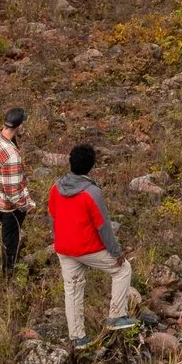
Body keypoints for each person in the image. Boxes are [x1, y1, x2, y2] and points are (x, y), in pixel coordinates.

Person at [49, 143, 134, 349]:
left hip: (64, 248)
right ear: (91, 166)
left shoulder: (56, 188)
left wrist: (58, 239)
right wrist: (116, 252)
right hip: (88, 248)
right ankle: (116, 316)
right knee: (122, 269)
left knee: (73, 290)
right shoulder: (92, 192)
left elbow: (52, 217)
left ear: (70, 162)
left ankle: (78, 337)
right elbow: (104, 227)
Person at [0, 108, 31, 281]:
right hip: (8, 207)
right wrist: (27, 206)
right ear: (20, 125)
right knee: (10, 241)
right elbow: (14, 194)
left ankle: (9, 267)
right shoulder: (12, 157)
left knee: (7, 234)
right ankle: (8, 276)